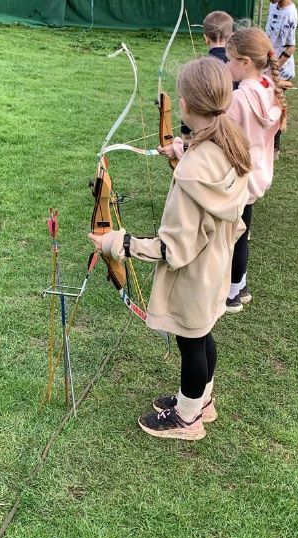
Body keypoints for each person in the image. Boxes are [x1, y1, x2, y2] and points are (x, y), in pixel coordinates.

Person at [89, 57, 251, 441]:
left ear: (185, 104)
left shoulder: (197, 167)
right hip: (216, 265)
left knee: (191, 343)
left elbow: (173, 248)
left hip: (193, 274)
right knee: (202, 335)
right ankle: (200, 401)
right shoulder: (230, 143)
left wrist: (117, 243)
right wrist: (181, 156)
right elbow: (210, 202)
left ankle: (187, 418)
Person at [223, 28, 286, 313]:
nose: (227, 65)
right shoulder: (268, 86)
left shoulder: (240, 98)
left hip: (238, 177)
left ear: (246, 62)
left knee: (233, 237)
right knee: (242, 232)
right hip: (257, 173)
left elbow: (223, 138)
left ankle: (231, 295)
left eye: (230, 60)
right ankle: (241, 286)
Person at [181, 11, 235, 143]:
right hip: (233, 128)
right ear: (231, 37)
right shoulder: (238, 66)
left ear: (206, 38)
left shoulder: (202, 69)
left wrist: (186, 134)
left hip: (207, 132)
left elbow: (191, 99)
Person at [265, 0, 297, 156]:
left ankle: (274, 148)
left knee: (275, 107)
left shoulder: (289, 14)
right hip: (267, 66)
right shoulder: (274, 5)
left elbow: (290, 47)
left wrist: (275, 68)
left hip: (280, 71)